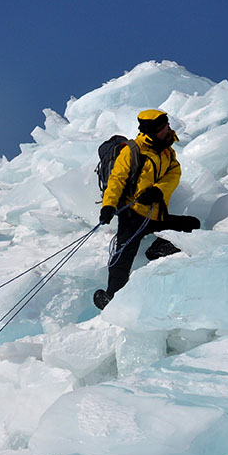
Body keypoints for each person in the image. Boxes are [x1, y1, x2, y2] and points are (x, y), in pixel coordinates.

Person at [93, 109, 200, 310]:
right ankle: (112, 297)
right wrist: (108, 206)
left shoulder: (168, 150)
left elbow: (174, 173)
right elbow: (117, 180)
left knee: (192, 224)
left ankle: (158, 248)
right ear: (151, 130)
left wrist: (158, 191)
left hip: (156, 213)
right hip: (133, 213)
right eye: (162, 127)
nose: (167, 129)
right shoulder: (133, 151)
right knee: (124, 253)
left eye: (166, 125)